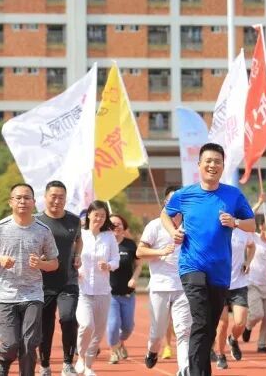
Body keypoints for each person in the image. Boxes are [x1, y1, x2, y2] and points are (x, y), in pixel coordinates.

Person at [161, 142, 255, 376]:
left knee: (209, 328)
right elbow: (165, 214)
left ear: (223, 166)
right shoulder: (185, 195)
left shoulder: (233, 195)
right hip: (191, 265)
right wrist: (173, 232)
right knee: (201, 321)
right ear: (199, 164)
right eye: (208, 161)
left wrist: (235, 222)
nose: (213, 165)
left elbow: (251, 224)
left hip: (220, 270)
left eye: (217, 162)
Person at [0, 183, 59, 376]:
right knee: (10, 344)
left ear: (34, 202)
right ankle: (4, 363)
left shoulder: (43, 230)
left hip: (32, 294)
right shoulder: (0, 228)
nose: (23, 201)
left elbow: (55, 263)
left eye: (27, 198)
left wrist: (41, 264)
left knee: (29, 343)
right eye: (18, 198)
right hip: (5, 294)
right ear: (11, 202)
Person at [138, 185, 192, 376]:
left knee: (183, 330)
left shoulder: (190, 225)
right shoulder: (154, 226)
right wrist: (161, 251)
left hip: (184, 286)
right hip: (160, 286)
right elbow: (140, 251)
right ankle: (152, 350)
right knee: (158, 333)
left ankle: (184, 368)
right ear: (165, 203)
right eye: (172, 201)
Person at [37, 180, 83, 376]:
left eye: (61, 197)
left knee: (68, 318)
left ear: (65, 199)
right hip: (43, 283)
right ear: (45, 197)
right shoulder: (36, 221)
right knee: (45, 326)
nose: (57, 201)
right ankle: (45, 365)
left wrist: (78, 255)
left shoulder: (74, 220)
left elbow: (79, 240)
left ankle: (67, 363)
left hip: (68, 281)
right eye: (53, 197)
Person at [75, 200, 120, 376]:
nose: (99, 218)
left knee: (98, 332)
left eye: (103, 216)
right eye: (96, 215)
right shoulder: (80, 235)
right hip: (83, 289)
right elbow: (72, 257)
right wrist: (76, 270)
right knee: (86, 325)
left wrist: (108, 265)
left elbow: (116, 260)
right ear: (89, 215)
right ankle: (80, 357)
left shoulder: (109, 237)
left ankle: (88, 365)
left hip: (103, 291)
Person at [214, 227, 254, 369]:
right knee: (222, 323)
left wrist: (248, 262)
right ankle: (220, 355)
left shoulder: (243, 232)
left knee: (240, 322)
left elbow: (252, 246)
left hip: (239, 285)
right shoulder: (216, 230)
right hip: (219, 284)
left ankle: (233, 339)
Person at [107, 214, 142, 364]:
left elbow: (139, 265)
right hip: (110, 294)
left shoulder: (130, 244)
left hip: (128, 294)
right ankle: (114, 351)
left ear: (124, 227)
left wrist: (134, 278)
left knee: (128, 327)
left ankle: (120, 342)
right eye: (113, 224)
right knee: (113, 325)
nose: (116, 226)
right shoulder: (104, 245)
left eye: (119, 224)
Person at [242, 215, 266, 354]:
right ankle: (248, 327)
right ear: (261, 226)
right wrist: (259, 204)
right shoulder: (254, 237)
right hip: (253, 282)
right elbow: (247, 217)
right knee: (257, 314)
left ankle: (262, 344)